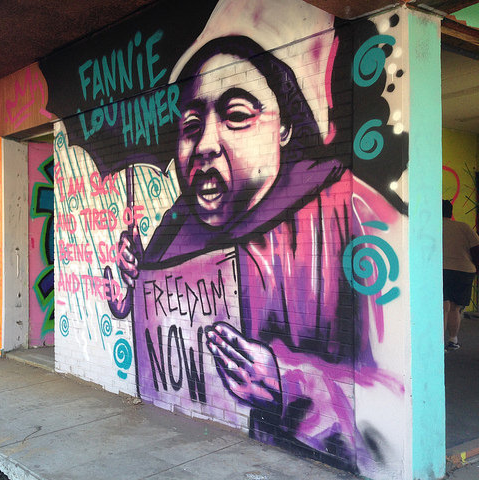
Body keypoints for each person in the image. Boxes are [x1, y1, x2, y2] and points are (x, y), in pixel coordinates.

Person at [113, 30, 405, 473]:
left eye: (236, 115)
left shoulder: (354, 212)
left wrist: (284, 383)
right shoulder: (170, 235)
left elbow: (400, 405)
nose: (206, 144)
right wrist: (128, 293)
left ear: (284, 128)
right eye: (190, 127)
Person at [442, 199, 479, 350]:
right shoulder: (463, 227)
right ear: (451, 212)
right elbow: (476, 250)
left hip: (440, 270)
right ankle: (452, 340)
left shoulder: (430, 228)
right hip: (463, 271)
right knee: (455, 307)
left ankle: (439, 345)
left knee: (443, 306)